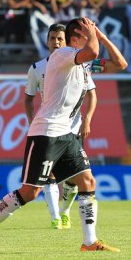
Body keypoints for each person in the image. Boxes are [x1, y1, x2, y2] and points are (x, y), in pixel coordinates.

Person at [0, 17, 127, 252]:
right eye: (87, 34)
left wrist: (101, 35)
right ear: (76, 39)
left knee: (87, 182)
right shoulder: (64, 54)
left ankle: (89, 242)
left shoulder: (84, 63)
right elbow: (93, 51)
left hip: (66, 134)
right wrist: (93, 36)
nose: (91, 37)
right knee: (30, 192)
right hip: (46, 133)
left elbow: (120, 64)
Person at [25, 23, 97, 230]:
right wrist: (32, 123)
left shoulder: (82, 64)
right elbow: (28, 99)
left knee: (74, 181)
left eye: (60, 39)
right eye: (52, 38)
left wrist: (87, 120)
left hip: (73, 128)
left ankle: (64, 211)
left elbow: (94, 91)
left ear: (67, 42)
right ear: (47, 41)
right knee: (50, 176)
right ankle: (55, 217)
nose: (55, 42)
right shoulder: (37, 68)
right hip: (51, 128)